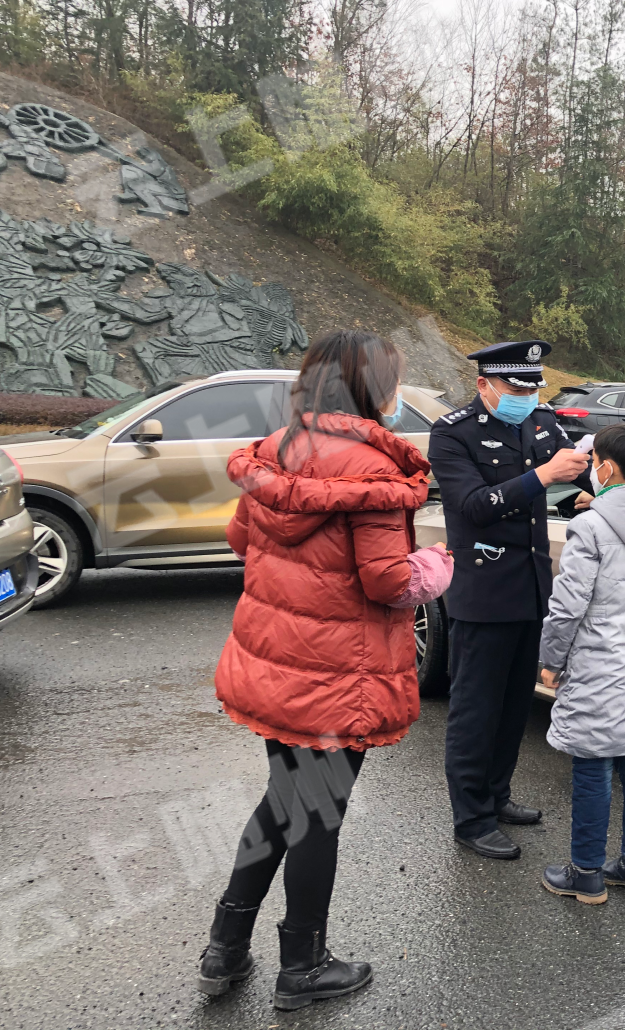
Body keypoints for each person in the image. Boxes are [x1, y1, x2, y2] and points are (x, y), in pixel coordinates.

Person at [195, 330, 454, 1010]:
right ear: (373, 390)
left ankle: (226, 947)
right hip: (341, 677)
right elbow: (387, 582)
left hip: (274, 667)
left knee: (283, 801)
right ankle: (303, 965)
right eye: (393, 381)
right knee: (316, 814)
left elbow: (240, 538)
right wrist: (438, 565)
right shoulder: (373, 472)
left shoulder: (273, 451)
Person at [429, 341, 592, 859]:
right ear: (484, 385)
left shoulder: (539, 421)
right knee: (476, 711)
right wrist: (543, 476)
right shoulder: (452, 433)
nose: (527, 398)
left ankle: (497, 796)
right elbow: (474, 506)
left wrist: (590, 480)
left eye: (532, 389)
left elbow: (575, 471)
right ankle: (471, 818)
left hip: (531, 587)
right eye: (516, 389)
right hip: (484, 593)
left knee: (513, 706)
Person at [536, 423, 625, 903]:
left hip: (597, 666)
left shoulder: (590, 527)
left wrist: (552, 659)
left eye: (594, 460)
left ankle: (586, 873)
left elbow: (567, 606)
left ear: (607, 468)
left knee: (592, 764)